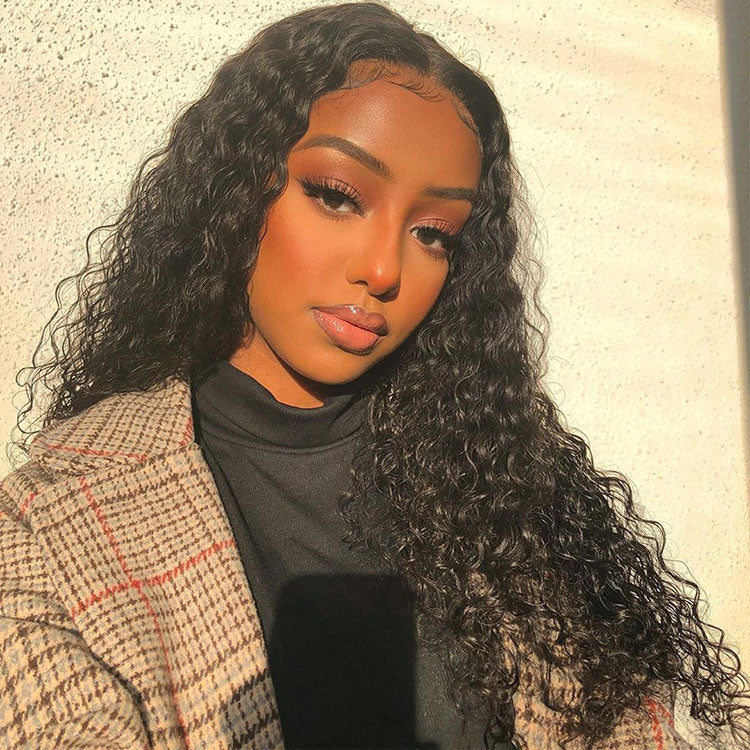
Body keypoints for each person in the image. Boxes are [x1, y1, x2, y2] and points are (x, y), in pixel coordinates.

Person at [1, 2, 748, 748]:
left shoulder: (496, 482)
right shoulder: (45, 535)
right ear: (234, 191)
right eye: (336, 195)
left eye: (433, 233)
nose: (385, 270)